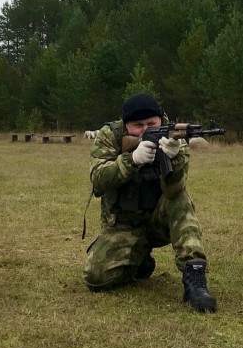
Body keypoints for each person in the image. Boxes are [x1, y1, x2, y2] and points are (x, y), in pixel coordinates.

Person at [84, 93, 217, 312]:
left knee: (180, 199)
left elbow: (174, 190)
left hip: (159, 220)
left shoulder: (173, 137)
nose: (145, 130)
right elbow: (98, 180)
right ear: (126, 126)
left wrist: (174, 158)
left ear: (160, 122)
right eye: (138, 126)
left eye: (151, 124)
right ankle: (138, 259)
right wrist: (131, 160)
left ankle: (195, 277)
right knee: (96, 278)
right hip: (124, 225)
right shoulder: (110, 136)